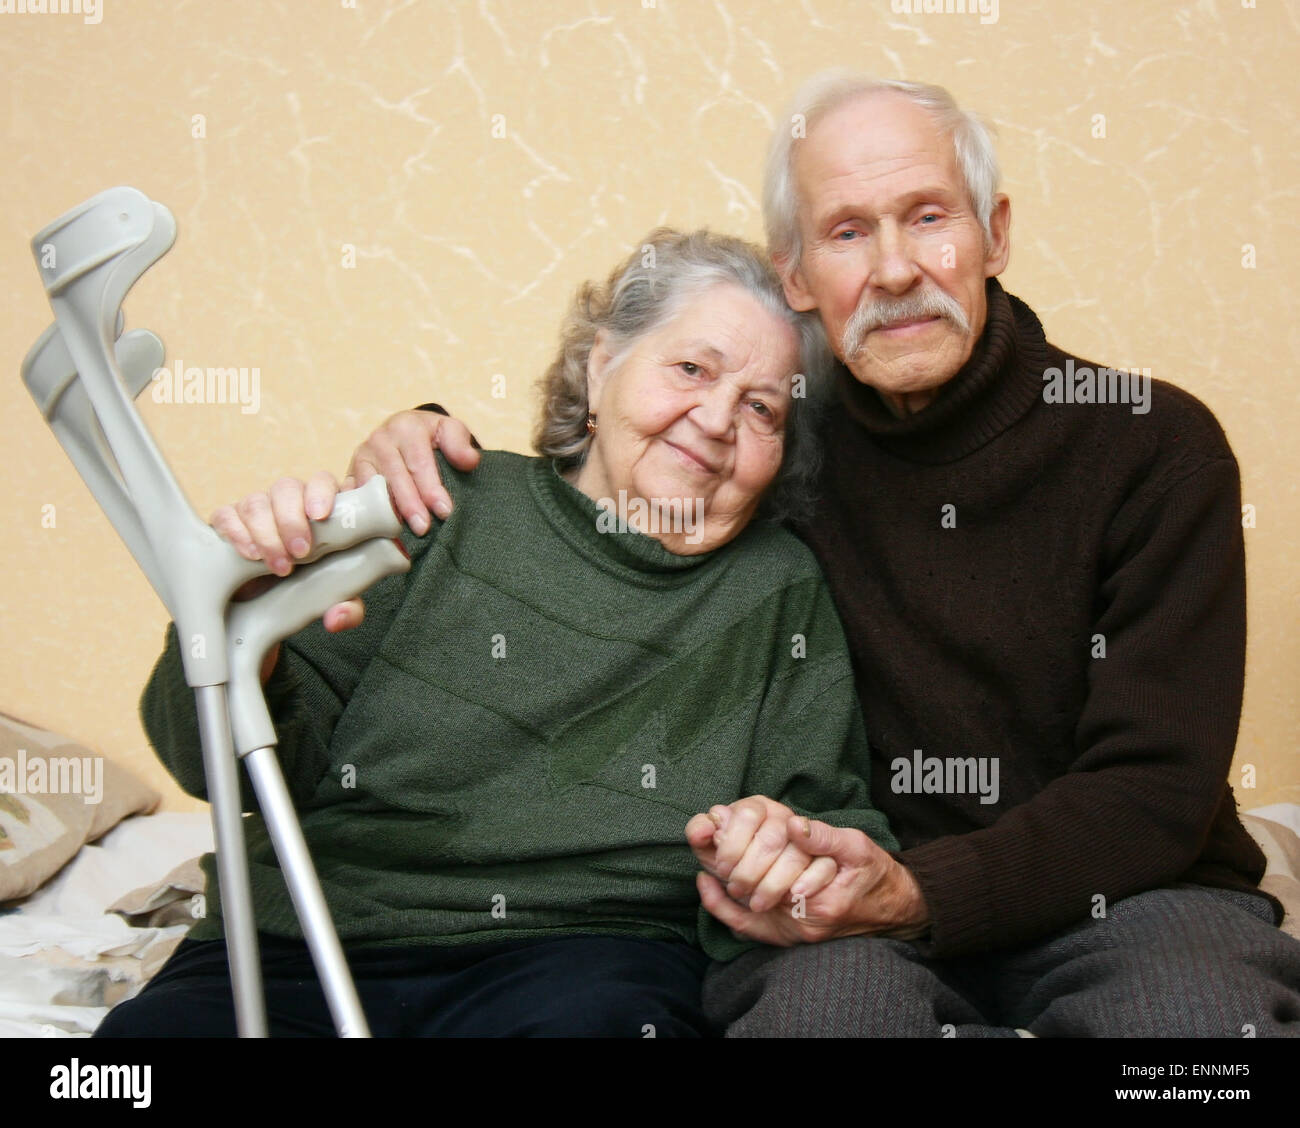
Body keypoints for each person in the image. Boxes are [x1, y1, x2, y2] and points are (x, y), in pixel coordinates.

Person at [352, 72, 1300, 1036]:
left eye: (928, 217)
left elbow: (1156, 788)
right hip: (837, 903)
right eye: (848, 232)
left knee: (1198, 1040)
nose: (895, 271)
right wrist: (421, 439)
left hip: (1129, 896)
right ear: (797, 276)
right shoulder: (761, 438)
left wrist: (919, 891)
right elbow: (609, 474)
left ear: (995, 234)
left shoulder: (1152, 446)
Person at [93, 227, 898, 1039]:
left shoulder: (776, 585)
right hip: (305, 937)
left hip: (581, 962)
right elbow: (208, 764)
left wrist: (784, 851)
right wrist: (248, 633)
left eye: (762, 407)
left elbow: (832, 831)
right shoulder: (440, 500)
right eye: (691, 369)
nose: (718, 418)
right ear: (600, 363)